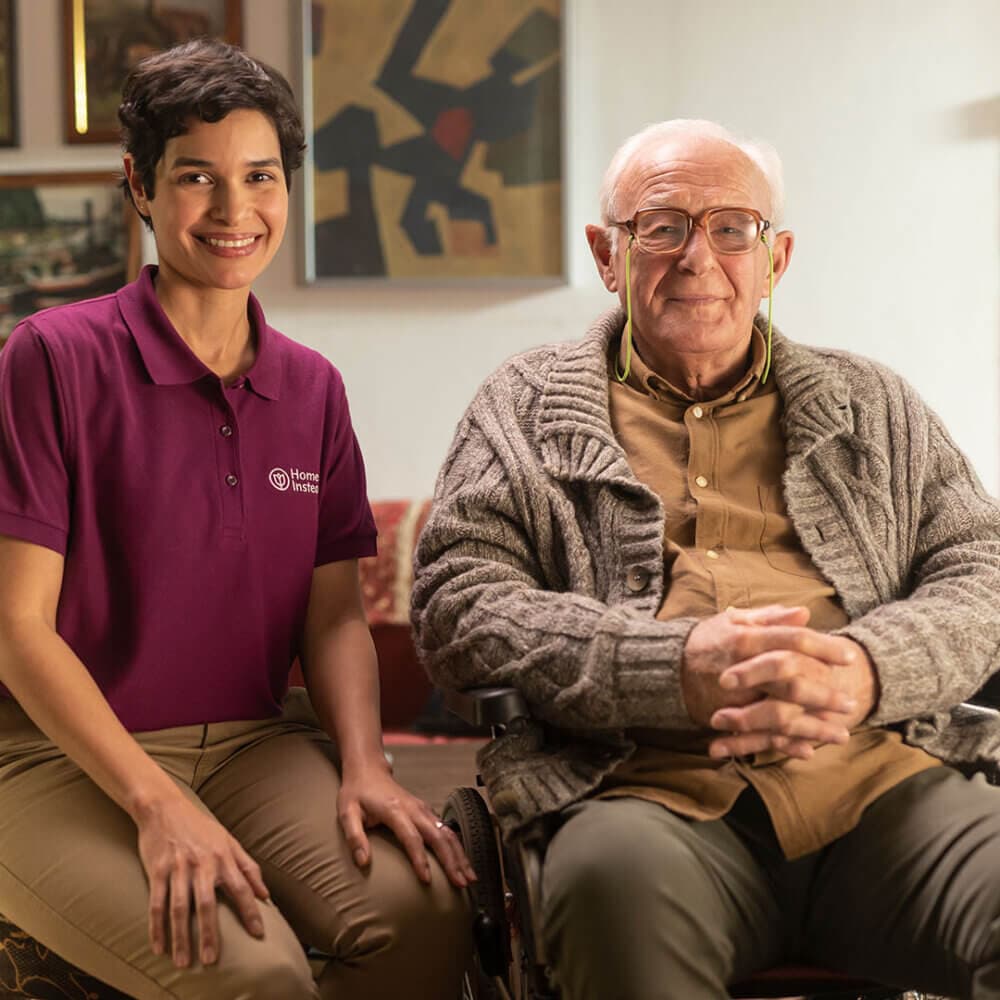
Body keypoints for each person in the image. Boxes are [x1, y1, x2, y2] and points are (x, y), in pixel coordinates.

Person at [411, 118, 1000, 998]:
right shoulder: (520, 408)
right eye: (661, 226)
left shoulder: (874, 403)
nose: (698, 256)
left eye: (734, 228)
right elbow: (458, 604)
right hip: (642, 797)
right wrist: (667, 668)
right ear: (607, 256)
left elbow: (980, 570)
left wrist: (867, 671)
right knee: (609, 888)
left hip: (880, 782)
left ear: (777, 257)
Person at [0, 39, 473, 1000]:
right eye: (196, 178)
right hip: (61, 759)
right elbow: (16, 629)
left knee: (422, 918)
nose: (232, 211)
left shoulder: (312, 388)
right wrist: (155, 802)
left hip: (257, 743)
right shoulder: (51, 357)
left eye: (259, 177)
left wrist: (365, 763)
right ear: (140, 184)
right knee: (254, 974)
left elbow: (334, 612)